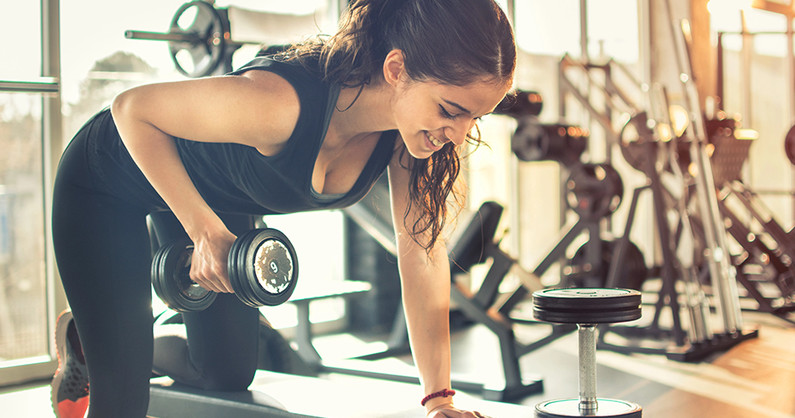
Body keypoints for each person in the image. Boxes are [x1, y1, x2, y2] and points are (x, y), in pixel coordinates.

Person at [50, 0, 516, 417]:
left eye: (476, 117)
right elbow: (131, 109)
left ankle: (92, 343)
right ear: (396, 69)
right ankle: (107, 350)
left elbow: (422, 256)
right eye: (451, 109)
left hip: (208, 194)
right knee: (122, 405)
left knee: (227, 374)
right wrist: (204, 230)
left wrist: (439, 400)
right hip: (108, 180)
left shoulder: (409, 144)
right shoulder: (281, 104)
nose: (459, 133)